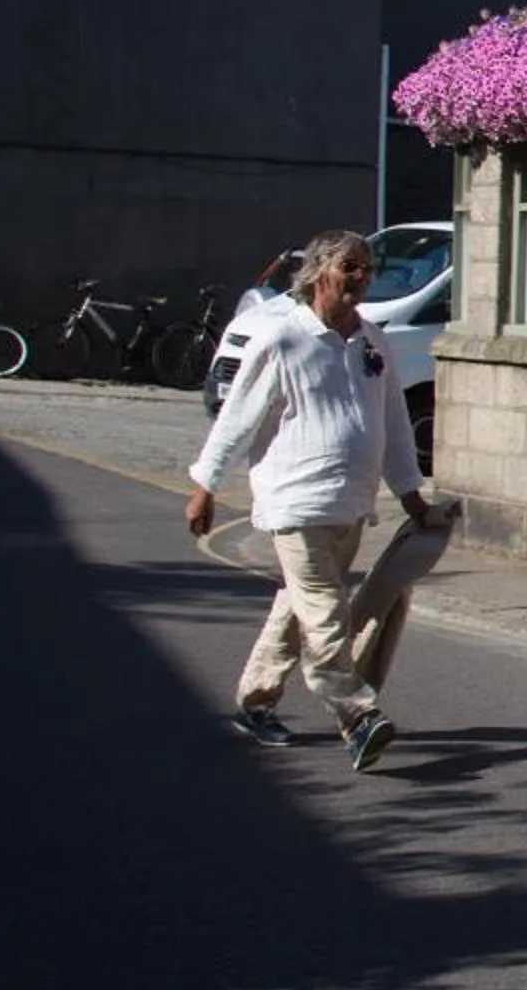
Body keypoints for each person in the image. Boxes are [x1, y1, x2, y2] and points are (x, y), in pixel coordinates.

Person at [185, 227, 435, 772]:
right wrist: (205, 486)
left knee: (298, 610)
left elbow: (394, 423)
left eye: (366, 268)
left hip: (350, 504)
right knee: (326, 615)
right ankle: (358, 716)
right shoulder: (282, 340)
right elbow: (237, 419)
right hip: (295, 504)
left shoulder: (372, 342)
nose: (361, 277)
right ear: (318, 272)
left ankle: (255, 702)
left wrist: (410, 494)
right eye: (350, 267)